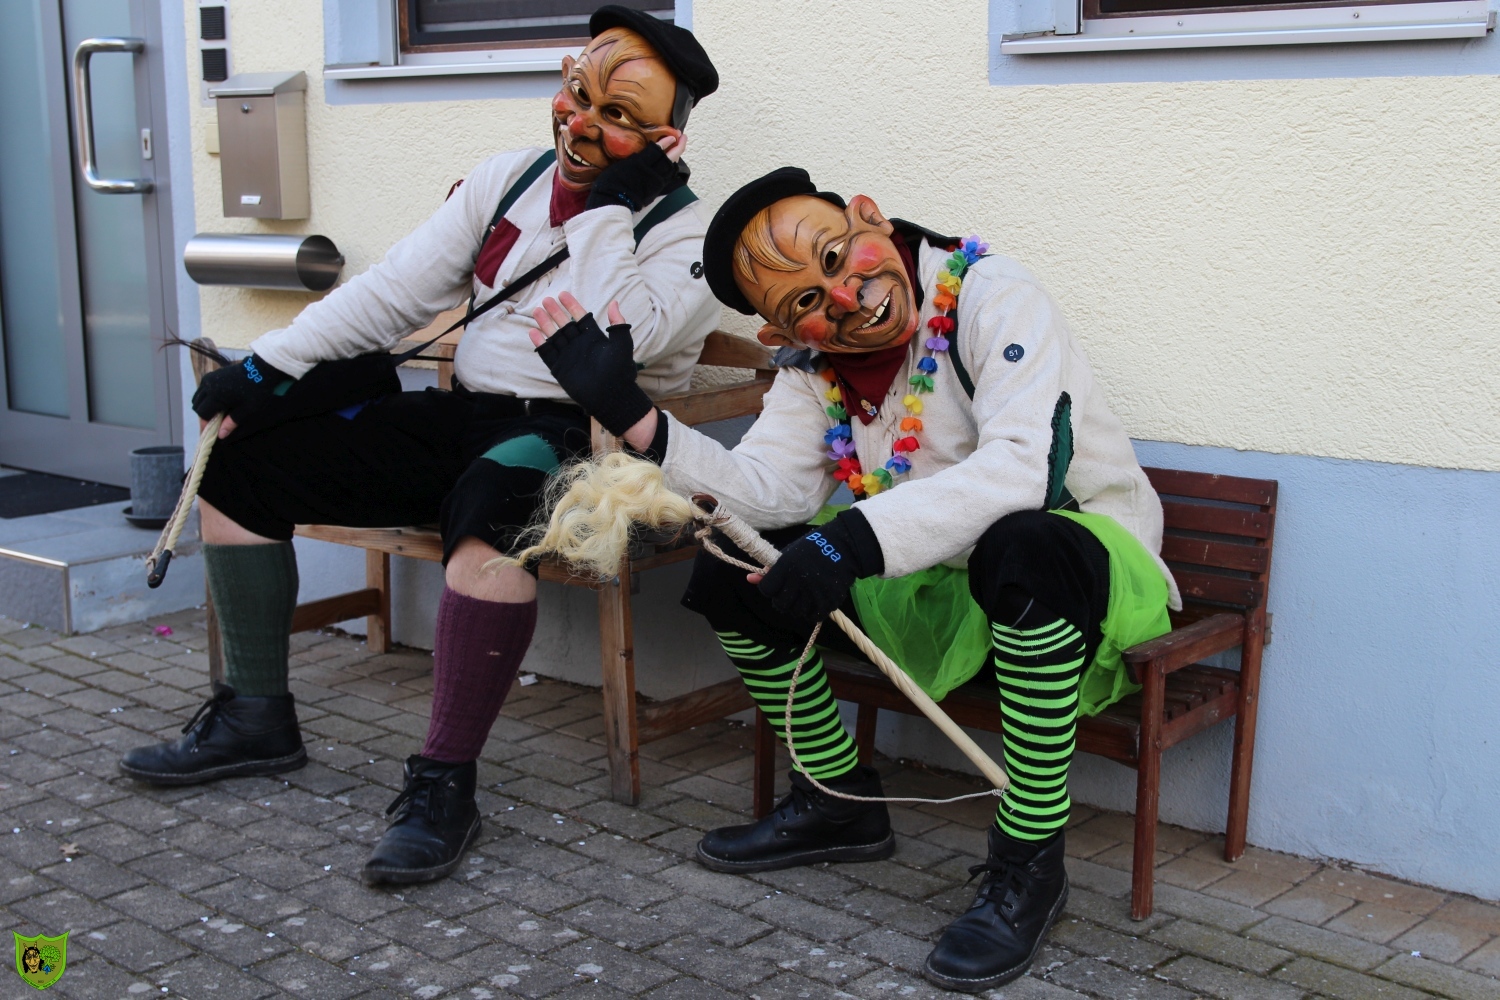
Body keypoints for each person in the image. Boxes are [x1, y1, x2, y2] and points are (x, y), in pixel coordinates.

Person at [527, 167, 1181, 992]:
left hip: (1083, 567)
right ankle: (837, 800)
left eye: (837, 256)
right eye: (806, 299)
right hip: (934, 578)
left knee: (1024, 546)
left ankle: (1030, 862)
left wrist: (851, 543)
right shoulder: (813, 366)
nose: (844, 297)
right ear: (778, 333)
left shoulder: (992, 294)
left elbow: (1023, 468)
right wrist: (634, 417)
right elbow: (770, 492)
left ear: (867, 214)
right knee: (736, 566)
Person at [118, 6, 720, 887]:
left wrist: (607, 212)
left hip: (578, 439)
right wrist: (266, 365)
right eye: (577, 92)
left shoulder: (688, 237)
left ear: (665, 142)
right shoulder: (506, 179)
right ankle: (253, 717)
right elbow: (395, 292)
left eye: (618, 115)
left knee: (491, 506)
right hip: (465, 414)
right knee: (242, 465)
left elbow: (615, 346)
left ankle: (444, 785)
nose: (581, 123)